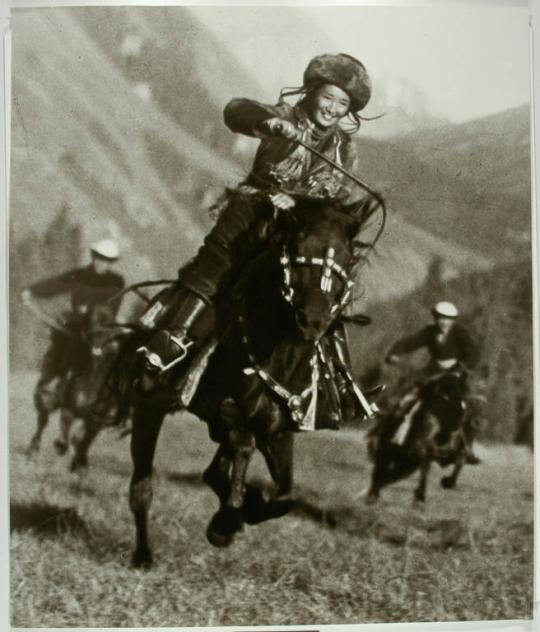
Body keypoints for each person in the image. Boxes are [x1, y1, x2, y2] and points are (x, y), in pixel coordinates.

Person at [138, 53, 375, 426]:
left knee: (323, 289)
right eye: (328, 97)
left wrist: (297, 200)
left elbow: (334, 192)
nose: (332, 108)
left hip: (299, 225)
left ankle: (337, 385)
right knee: (217, 263)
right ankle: (174, 337)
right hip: (253, 213)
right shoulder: (285, 114)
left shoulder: (346, 147)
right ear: (313, 92)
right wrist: (268, 124)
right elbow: (236, 110)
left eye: (342, 103)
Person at [21, 239, 126, 401]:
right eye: (98, 257)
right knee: (61, 341)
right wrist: (32, 291)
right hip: (77, 323)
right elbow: (56, 284)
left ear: (111, 262)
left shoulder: (117, 281)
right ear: (93, 256)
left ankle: (110, 396)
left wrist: (90, 309)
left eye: (106, 260)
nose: (100, 262)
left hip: (100, 327)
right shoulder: (80, 275)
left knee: (113, 353)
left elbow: (112, 303)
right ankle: (54, 380)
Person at [385, 301, 481, 463]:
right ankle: (395, 427)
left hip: (455, 373)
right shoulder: (430, 332)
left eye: (448, 319)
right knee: (409, 391)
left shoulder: (461, 333)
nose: (443, 322)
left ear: (454, 320)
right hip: (433, 370)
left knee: (465, 405)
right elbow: (411, 342)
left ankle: (466, 446)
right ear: (435, 318)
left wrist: (463, 367)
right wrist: (395, 352)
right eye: (440, 318)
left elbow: (473, 354)